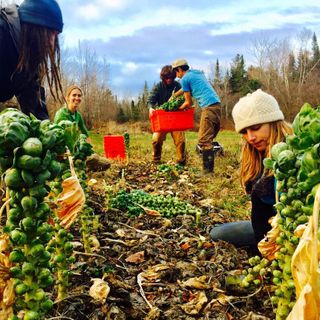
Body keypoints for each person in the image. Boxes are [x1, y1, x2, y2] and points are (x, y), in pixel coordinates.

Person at [210, 89, 292, 247]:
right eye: (244, 132)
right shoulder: (255, 155)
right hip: (269, 228)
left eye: (255, 128)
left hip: (298, 231)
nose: (250, 138)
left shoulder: (296, 151)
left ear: (274, 122)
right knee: (217, 234)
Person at [0, 0, 64, 120]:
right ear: (34, 27)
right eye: (50, 33)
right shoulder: (3, 33)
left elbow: (35, 108)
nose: (52, 43)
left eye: (56, 36)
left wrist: (47, 133)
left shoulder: (27, 59)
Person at [171, 59, 221, 173]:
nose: (177, 77)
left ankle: (208, 172)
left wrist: (176, 109)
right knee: (208, 137)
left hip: (208, 107)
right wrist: (174, 95)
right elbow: (186, 90)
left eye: (176, 73)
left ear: (179, 69)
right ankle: (209, 168)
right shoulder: (196, 73)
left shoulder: (184, 79)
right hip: (217, 105)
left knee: (204, 140)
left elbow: (188, 102)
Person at [148, 65, 186, 165]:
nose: (169, 80)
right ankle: (156, 160)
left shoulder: (178, 86)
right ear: (163, 77)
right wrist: (151, 108)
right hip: (162, 119)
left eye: (171, 78)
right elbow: (151, 100)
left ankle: (181, 161)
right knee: (156, 139)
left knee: (180, 140)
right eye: (166, 78)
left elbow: (185, 98)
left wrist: (184, 106)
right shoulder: (158, 86)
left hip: (176, 118)